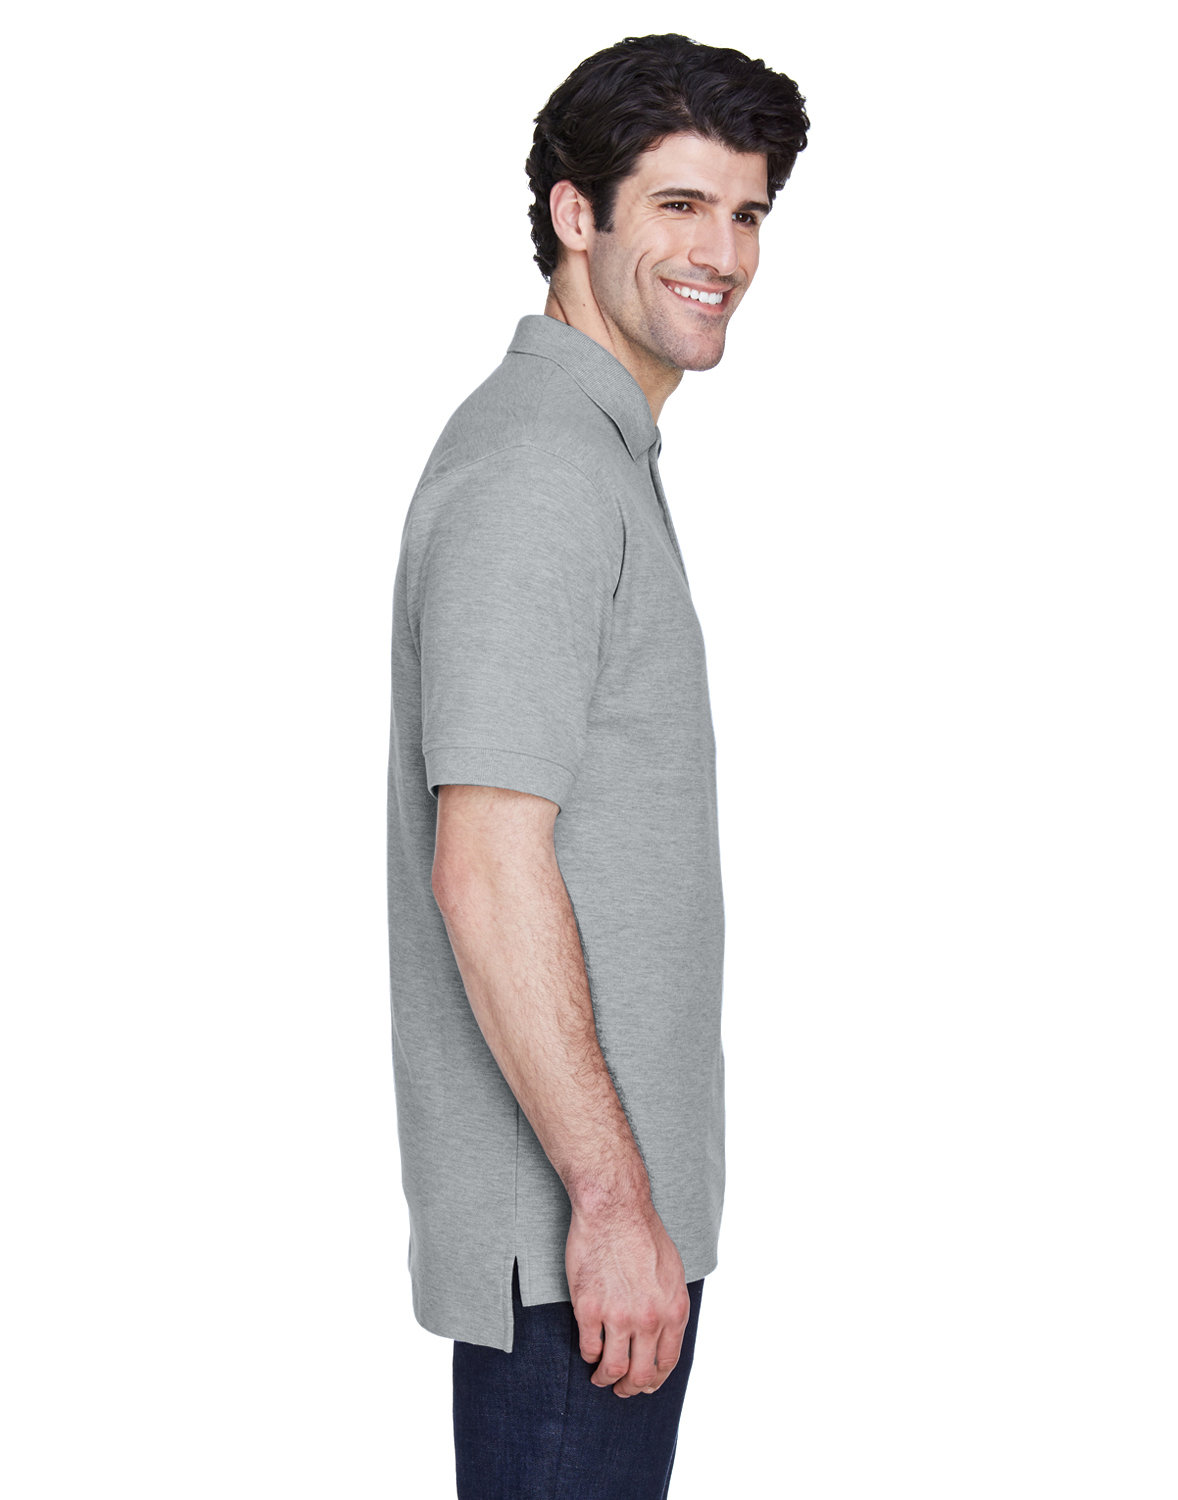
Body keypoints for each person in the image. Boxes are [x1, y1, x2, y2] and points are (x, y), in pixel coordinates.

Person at [387, 33, 809, 1499]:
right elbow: (485, 865)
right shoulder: (540, 473)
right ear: (576, 214)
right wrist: (615, 1204)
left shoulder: (594, 452)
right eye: (680, 206)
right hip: (574, 1251)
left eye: (746, 213)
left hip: (597, 1239)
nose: (723, 254)